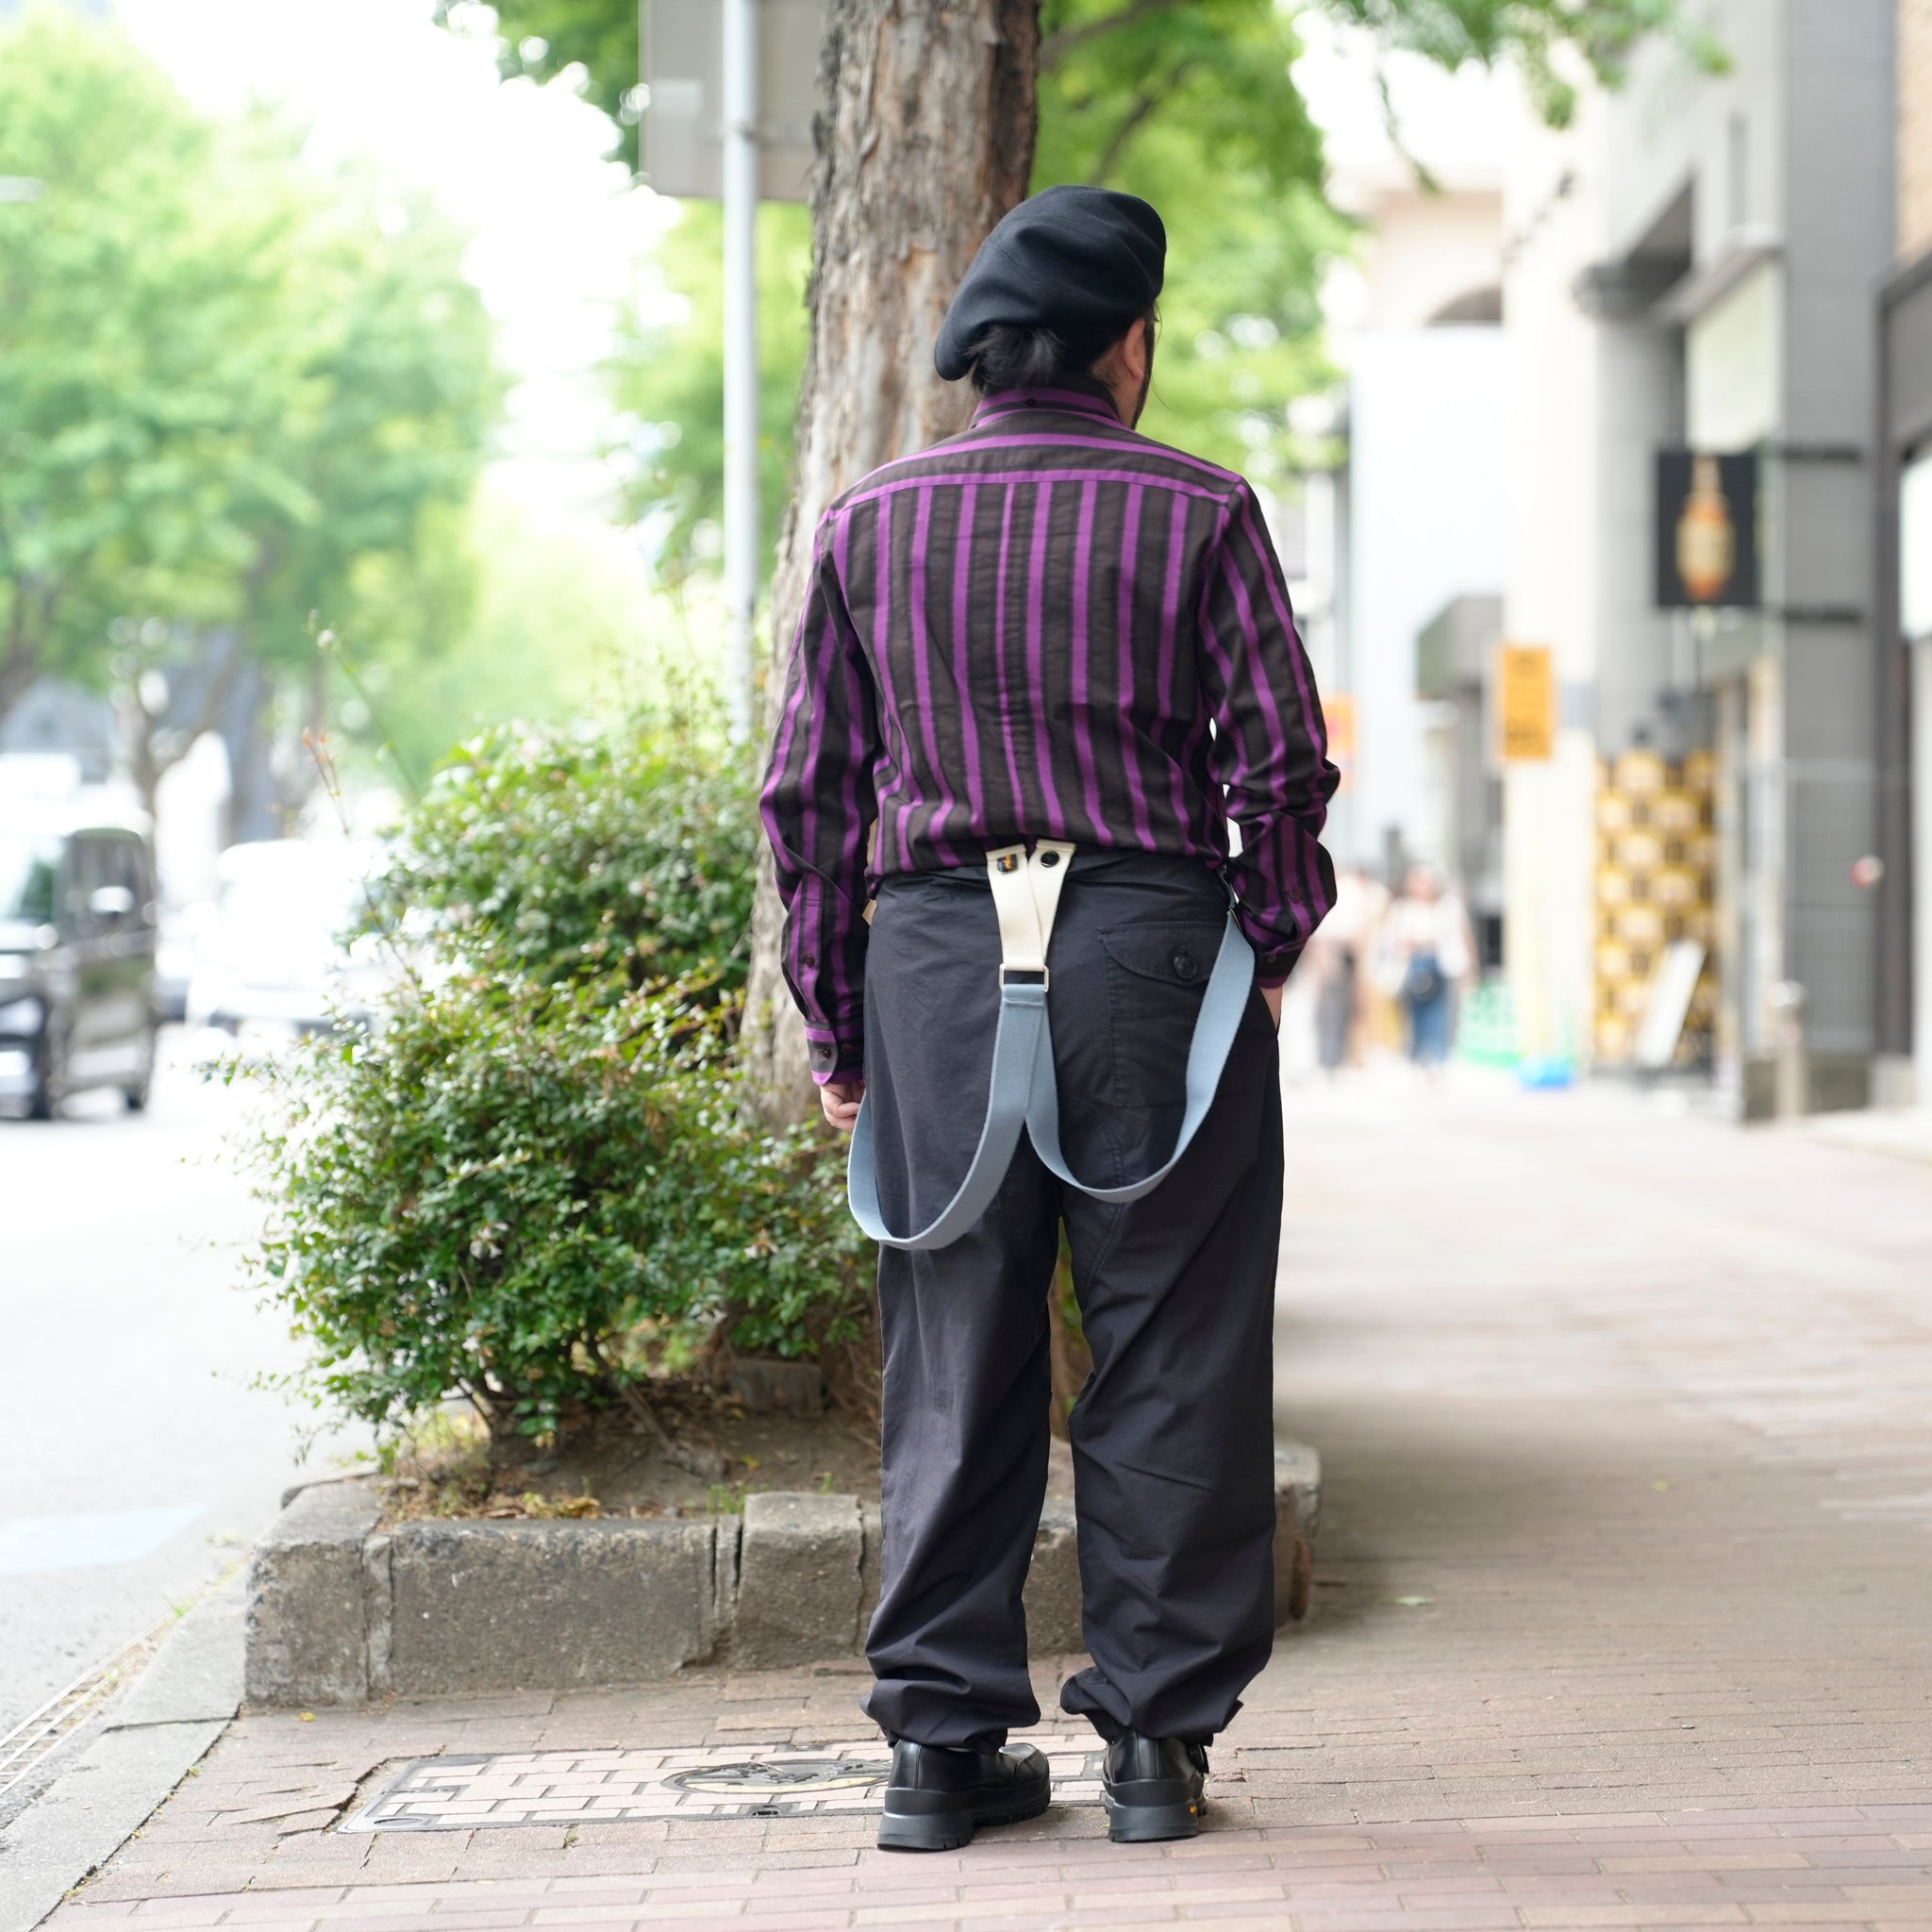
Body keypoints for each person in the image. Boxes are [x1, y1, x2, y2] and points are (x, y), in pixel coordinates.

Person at [759, 184, 1338, 1855]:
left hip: (936, 957)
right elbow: (1277, 763)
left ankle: (939, 1751)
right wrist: (1269, 939)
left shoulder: (870, 524)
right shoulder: (1201, 511)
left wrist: (838, 1028)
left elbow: (806, 796)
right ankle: (1152, 1743)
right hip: (1151, 955)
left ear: (985, 355)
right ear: (1125, 345)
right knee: (1173, 1341)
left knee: (951, 1345)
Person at [1374, 863, 1474, 1071]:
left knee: (1440, 1012)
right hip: (1412, 964)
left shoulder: (1448, 906)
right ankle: (1418, 1054)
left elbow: (1462, 936)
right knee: (1415, 1012)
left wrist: (1470, 967)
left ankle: (1439, 1056)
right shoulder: (1402, 909)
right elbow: (1387, 939)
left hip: (1441, 964)